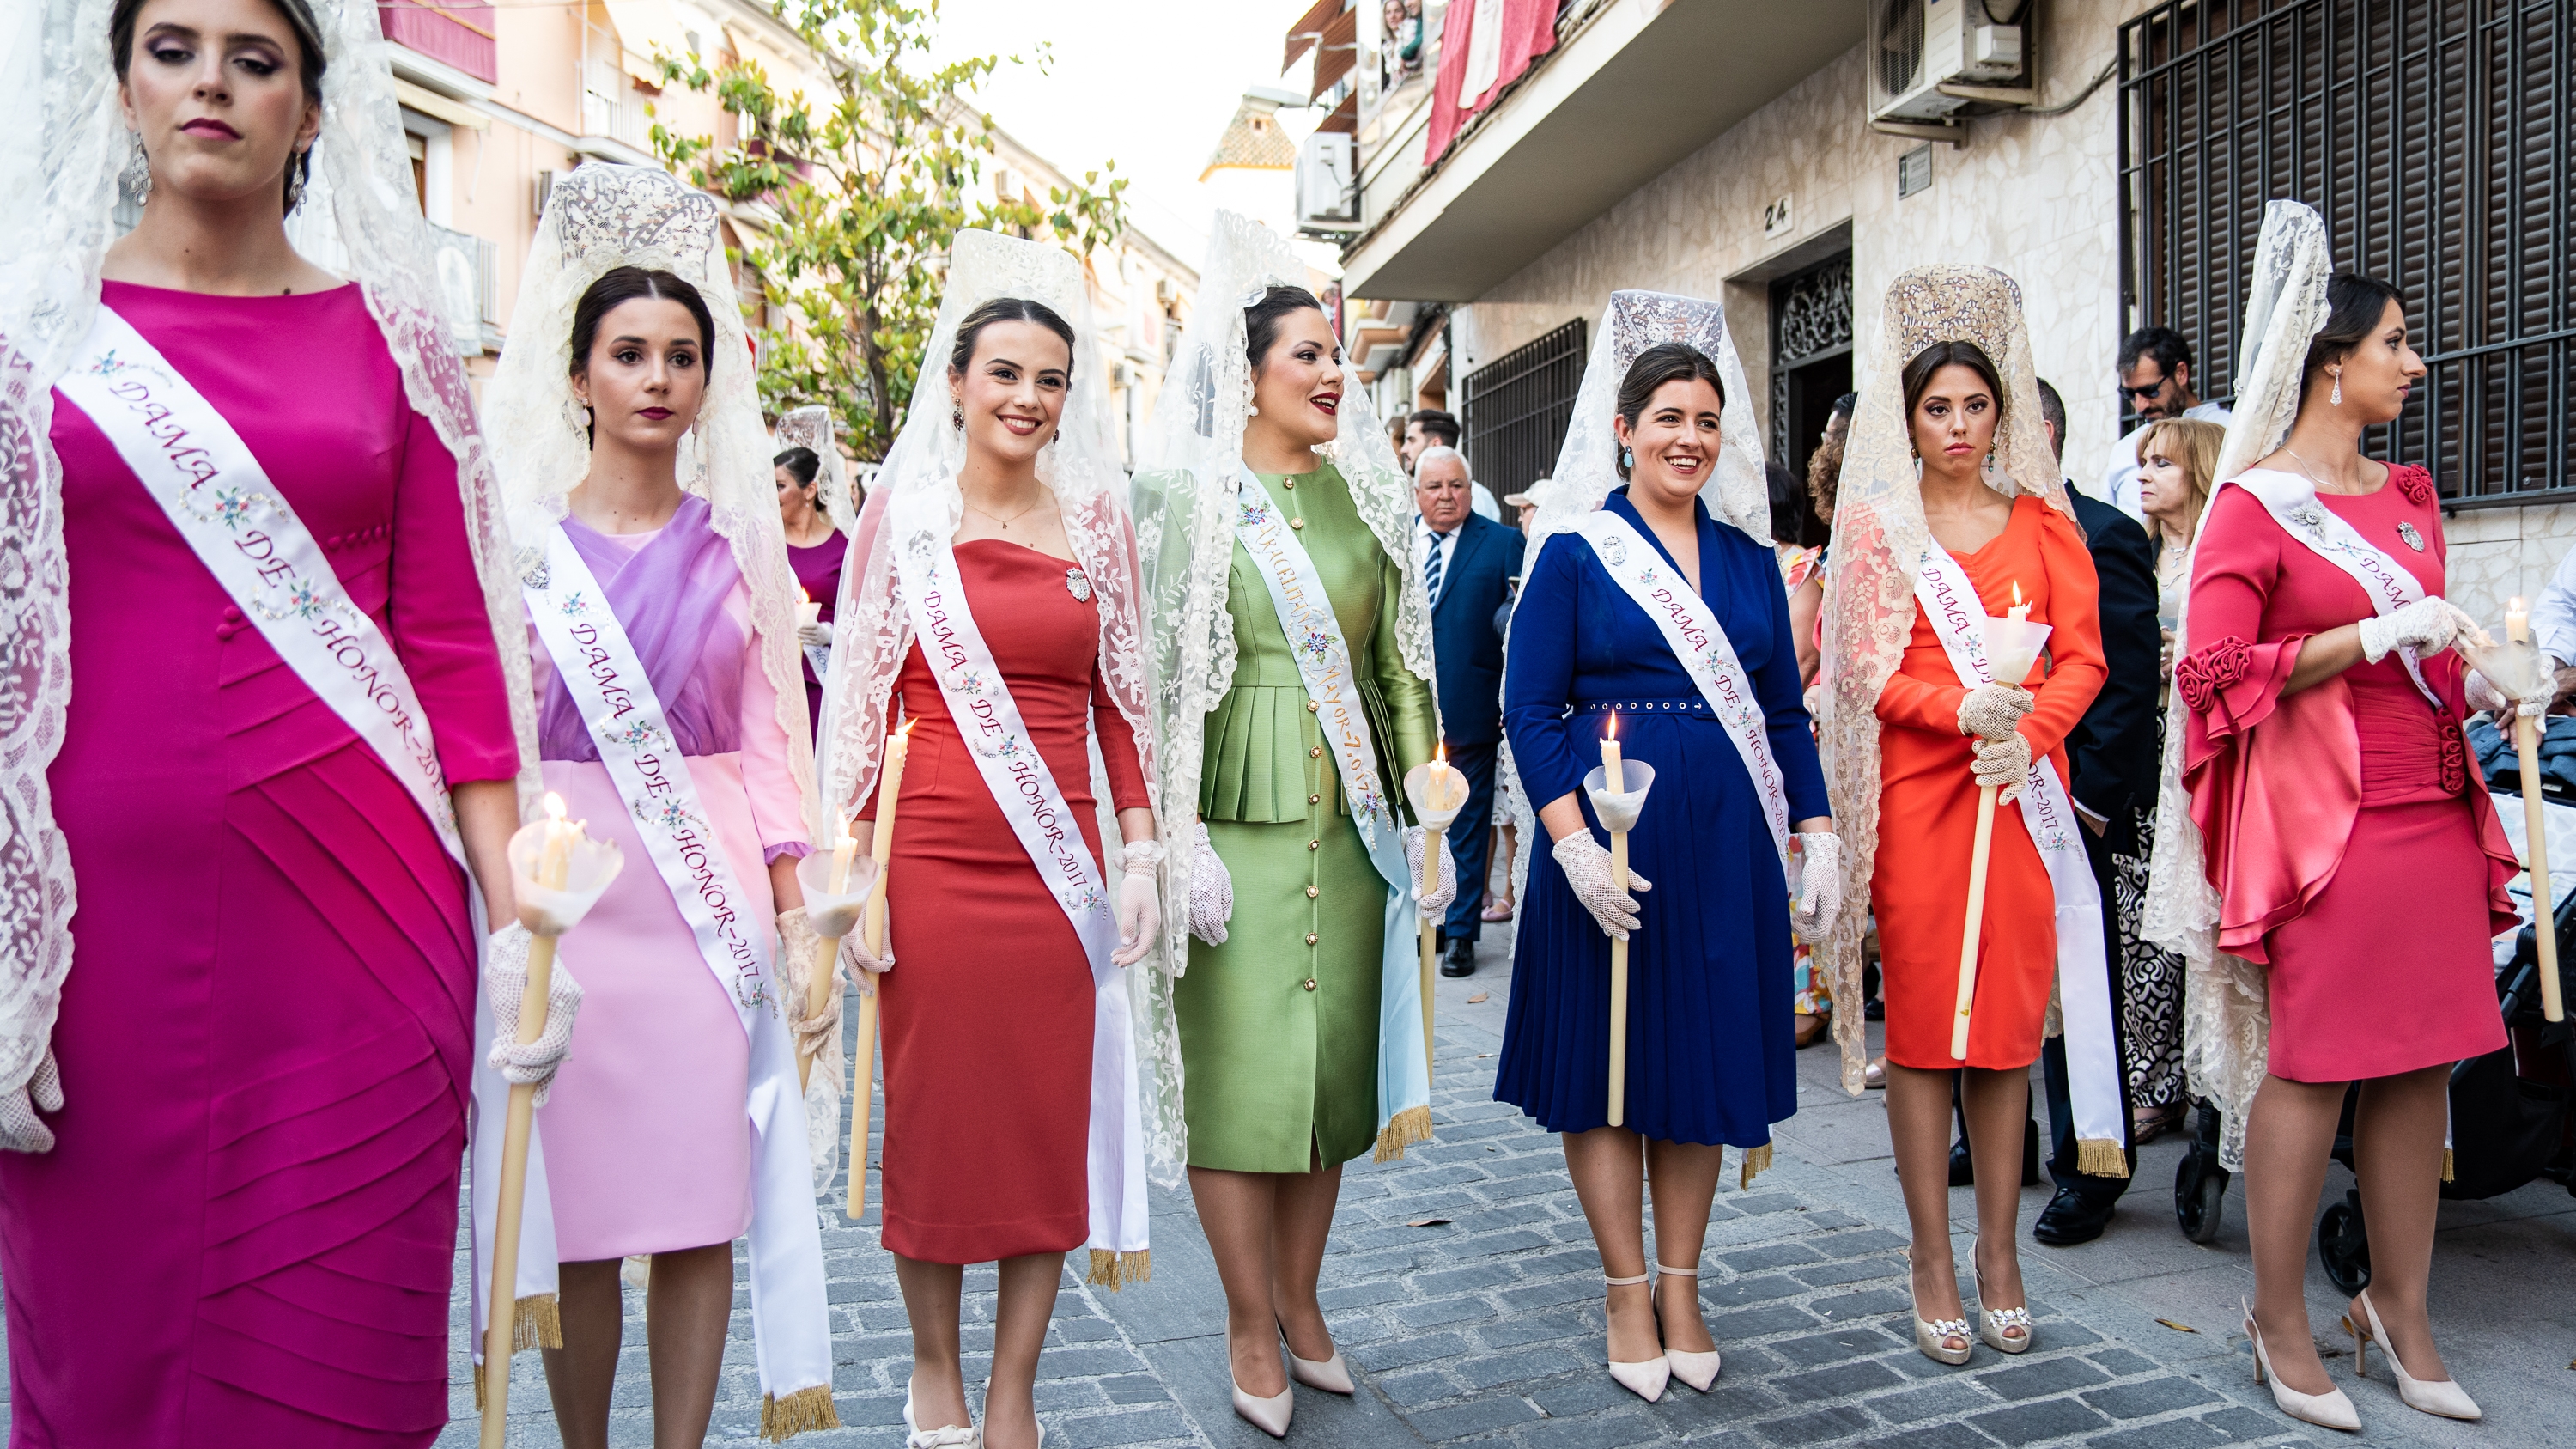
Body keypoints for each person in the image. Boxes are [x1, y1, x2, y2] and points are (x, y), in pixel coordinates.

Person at [0, 2, 553, 1440]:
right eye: (173, 48)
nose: (211, 85)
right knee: (103, 1347)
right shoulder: (32, 336)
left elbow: (450, 654)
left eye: (258, 61)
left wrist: (521, 927)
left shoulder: (397, 343)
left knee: (337, 1361)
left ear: (313, 110)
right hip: (92, 938)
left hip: (361, 927)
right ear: (121, 84)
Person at [2144, 201, 2529, 1432]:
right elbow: (2209, 674)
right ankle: (2278, 1316)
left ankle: (2400, 1313)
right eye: (2397, 343)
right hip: (2330, 825)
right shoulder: (2253, 506)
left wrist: (2490, 678)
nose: (2414, 363)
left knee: (2425, 1064)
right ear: (2330, 363)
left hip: (2430, 799)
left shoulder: (2412, 495)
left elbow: (2430, 657)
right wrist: (2369, 629)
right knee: (2314, 1064)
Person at [482, 164, 839, 1445]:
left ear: (707, 381)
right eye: (627, 351)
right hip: (568, 902)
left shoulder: (740, 549)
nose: (655, 376)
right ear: (577, 374)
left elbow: (764, 745)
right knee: (578, 1212)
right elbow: (495, 743)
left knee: (699, 1206)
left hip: (706, 904)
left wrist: (801, 913)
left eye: (681, 355)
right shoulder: (518, 550)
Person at [816, 232, 1176, 1449]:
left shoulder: (1096, 526)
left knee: (1035, 1128)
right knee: (932, 1125)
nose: (1029, 397)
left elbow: (1118, 709)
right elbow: (861, 707)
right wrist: (851, 867)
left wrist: (1138, 853)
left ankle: (1015, 1383)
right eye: (1007, 372)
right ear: (958, 381)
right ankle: (935, 1371)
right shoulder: (901, 520)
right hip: (928, 867)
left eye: (1052, 378)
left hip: (1055, 871)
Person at [1134, 211, 1451, 1440]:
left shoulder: (1372, 506)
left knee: (1325, 1082)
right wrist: (1173, 834)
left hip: (1353, 828)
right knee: (1240, 1088)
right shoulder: (1186, 500)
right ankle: (1240, 1316)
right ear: (1249, 372)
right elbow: (1155, 680)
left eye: (1339, 355)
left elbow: (1401, 671)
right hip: (1236, 825)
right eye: (1306, 354)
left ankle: (1304, 1301)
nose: (1333, 374)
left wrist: (1428, 788)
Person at [1495, 297, 1837, 1403]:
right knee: (1607, 1072)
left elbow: (1782, 713)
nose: (1688, 437)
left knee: (1693, 1067)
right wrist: (1571, 848)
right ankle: (1625, 1286)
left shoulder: (1747, 563)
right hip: (1608, 846)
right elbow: (1529, 708)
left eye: (1707, 419)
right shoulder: (1576, 554)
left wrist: (1818, 828)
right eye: (1668, 417)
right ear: (1624, 431)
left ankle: (1685, 1283)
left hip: (1723, 845)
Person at [1816, 267, 2117, 1367]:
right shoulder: (1878, 532)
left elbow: (2087, 656)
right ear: (1908, 419)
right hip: (1923, 800)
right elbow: (1859, 670)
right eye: (1936, 407)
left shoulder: (2045, 524)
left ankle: (2002, 1254)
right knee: (1931, 1034)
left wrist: (2028, 735)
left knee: (2001, 1035)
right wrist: (1959, 707)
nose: (1957, 425)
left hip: (2017, 790)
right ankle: (1931, 1258)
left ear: (2006, 413)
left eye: (1976, 406)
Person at [2023, 378, 2160, 1246]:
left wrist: (2090, 803)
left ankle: (2093, 1164)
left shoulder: (2104, 535)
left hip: (2071, 802)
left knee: (2077, 986)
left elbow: (2126, 683)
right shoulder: (1974, 543)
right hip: (1992, 795)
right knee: (2008, 977)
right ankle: (1999, 1134)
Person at [2119, 414, 2224, 1145]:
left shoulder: (2221, 552)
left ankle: (2208, 1071)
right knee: (2138, 912)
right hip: (2143, 743)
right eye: (2143, 461)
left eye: (2162, 462)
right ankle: (2151, 1079)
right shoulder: (2138, 553)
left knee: (2202, 909)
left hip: (2203, 747)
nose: (2146, 474)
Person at [1415, 445, 1524, 976]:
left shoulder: (1504, 542)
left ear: (1469, 488)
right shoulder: (1396, 542)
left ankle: (1459, 933)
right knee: (1416, 823)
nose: (1446, 496)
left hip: (1472, 709)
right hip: (1405, 711)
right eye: (1434, 487)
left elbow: (1517, 619)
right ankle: (1425, 924)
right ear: (1418, 494)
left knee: (1467, 823)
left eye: (1455, 485)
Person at [774, 405, 854, 737]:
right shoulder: (766, 545)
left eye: (779, 486)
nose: (769, 494)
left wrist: (832, 634)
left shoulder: (844, 547)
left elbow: (865, 615)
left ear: (809, 490)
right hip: (776, 680)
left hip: (825, 683)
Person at [2104, 325, 2232, 521]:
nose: (2140, 405)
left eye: (2150, 390)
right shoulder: (2123, 450)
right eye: (2130, 394)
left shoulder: (2230, 432)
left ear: (2181, 373)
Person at [1401, 405, 1502, 518]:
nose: (1403, 450)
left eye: (1412, 441)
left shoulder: (1473, 497)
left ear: (1436, 444)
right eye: (1434, 487)